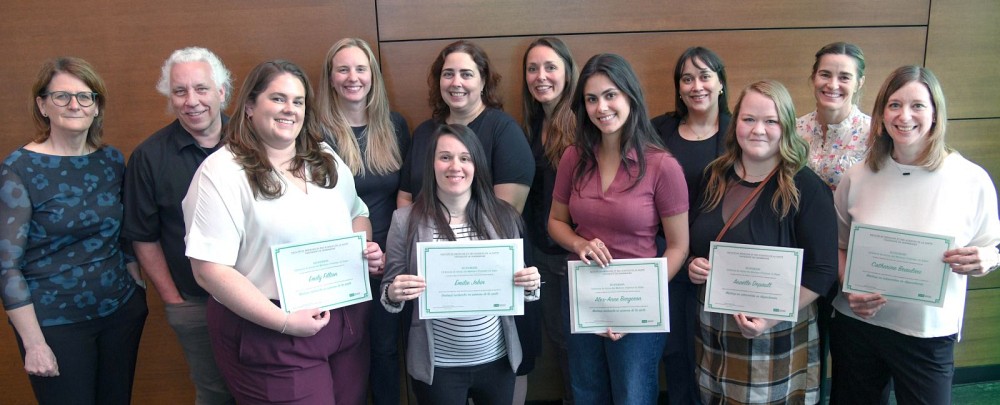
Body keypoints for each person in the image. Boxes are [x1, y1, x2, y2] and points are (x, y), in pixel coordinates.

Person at [182, 60, 384, 404]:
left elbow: (358, 213)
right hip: (270, 330)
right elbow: (208, 270)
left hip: (344, 322)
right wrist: (285, 322)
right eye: (278, 98)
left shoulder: (324, 158)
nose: (290, 109)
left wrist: (364, 250)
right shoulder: (221, 173)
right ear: (249, 106)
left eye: (298, 101)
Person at [829, 66, 1000, 405]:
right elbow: (837, 245)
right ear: (881, 114)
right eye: (894, 104)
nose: (904, 116)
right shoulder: (858, 176)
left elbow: (991, 247)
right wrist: (849, 285)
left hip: (927, 332)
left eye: (917, 105)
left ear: (936, 113)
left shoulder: (970, 179)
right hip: (858, 326)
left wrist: (987, 259)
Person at [1, 57, 148, 405]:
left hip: (119, 314)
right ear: (42, 105)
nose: (74, 105)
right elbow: (7, 266)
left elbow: (123, 234)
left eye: (85, 96)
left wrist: (137, 289)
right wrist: (34, 343)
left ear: (96, 107)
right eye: (61, 96)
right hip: (55, 324)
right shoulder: (19, 168)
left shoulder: (111, 160)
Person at [548, 53, 690, 404]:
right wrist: (579, 243)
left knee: (632, 396)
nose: (601, 107)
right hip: (584, 297)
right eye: (591, 99)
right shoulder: (573, 157)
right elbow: (555, 222)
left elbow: (678, 247)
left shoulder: (662, 165)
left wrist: (640, 303)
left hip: (637, 300)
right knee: (586, 393)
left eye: (610, 95)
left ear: (630, 96)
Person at [686, 80, 837, 404]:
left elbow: (822, 272)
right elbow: (695, 244)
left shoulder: (806, 187)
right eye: (749, 119)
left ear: (787, 127)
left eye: (771, 121)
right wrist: (693, 265)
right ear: (735, 123)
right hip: (714, 328)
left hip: (776, 331)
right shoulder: (713, 176)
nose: (758, 130)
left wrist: (771, 317)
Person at [379, 123, 542, 405]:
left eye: (465, 158)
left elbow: (520, 288)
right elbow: (388, 294)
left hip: (497, 360)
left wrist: (531, 285)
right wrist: (394, 293)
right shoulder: (404, 221)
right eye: (445, 157)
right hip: (439, 367)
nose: (455, 166)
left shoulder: (504, 217)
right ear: (431, 165)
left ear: (476, 165)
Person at [122, 46, 235, 405]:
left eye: (201, 88)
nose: (191, 101)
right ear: (170, 98)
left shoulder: (256, 143)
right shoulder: (148, 157)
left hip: (264, 296)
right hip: (196, 303)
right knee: (215, 394)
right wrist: (174, 301)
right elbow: (143, 237)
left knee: (265, 389)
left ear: (221, 92)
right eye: (180, 91)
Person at [317, 37, 412, 405]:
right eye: (343, 69)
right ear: (330, 77)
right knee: (346, 351)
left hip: (390, 258)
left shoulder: (394, 125)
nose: (352, 77)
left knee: (386, 348)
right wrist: (359, 252)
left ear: (373, 75)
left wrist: (392, 254)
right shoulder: (315, 131)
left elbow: (406, 193)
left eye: (360, 68)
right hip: (340, 261)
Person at [650, 46, 731, 405]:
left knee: (717, 356)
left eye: (705, 76)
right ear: (679, 88)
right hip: (669, 260)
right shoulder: (659, 129)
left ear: (721, 83)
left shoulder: (738, 132)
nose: (696, 86)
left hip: (718, 266)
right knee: (676, 355)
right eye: (687, 79)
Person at [397, 39, 533, 212]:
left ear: (483, 81)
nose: (456, 82)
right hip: (422, 228)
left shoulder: (506, 132)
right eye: (448, 74)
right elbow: (405, 197)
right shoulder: (423, 133)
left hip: (486, 230)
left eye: (466, 74)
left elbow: (508, 212)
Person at [520, 36, 578, 405]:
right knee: (562, 346)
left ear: (568, 73)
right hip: (543, 255)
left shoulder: (582, 124)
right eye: (533, 69)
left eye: (550, 67)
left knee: (577, 350)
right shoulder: (534, 124)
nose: (541, 76)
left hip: (573, 256)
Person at [795, 42, 870, 190]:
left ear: (859, 83)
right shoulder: (795, 130)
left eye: (844, 77)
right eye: (825, 75)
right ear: (814, 77)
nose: (833, 85)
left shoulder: (874, 135)